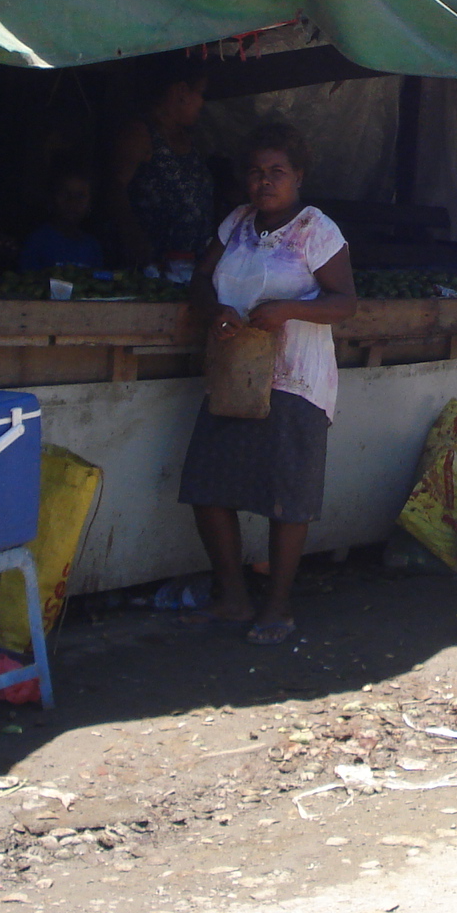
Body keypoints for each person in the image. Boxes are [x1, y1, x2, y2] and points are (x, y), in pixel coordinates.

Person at [182, 121, 356, 645]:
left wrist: (287, 310)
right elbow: (198, 278)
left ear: (298, 176)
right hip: (236, 374)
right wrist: (216, 312)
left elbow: (345, 302)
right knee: (208, 488)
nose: (265, 182)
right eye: (256, 173)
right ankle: (233, 597)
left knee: (287, 498)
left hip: (295, 380)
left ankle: (277, 606)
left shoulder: (316, 229)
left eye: (277, 172)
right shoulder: (236, 223)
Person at [110, 60, 215, 273]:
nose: (202, 103)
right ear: (182, 92)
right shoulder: (141, 134)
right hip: (152, 267)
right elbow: (113, 188)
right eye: (201, 93)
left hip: (191, 266)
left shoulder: (188, 138)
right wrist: (135, 238)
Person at [20, 163, 105, 271]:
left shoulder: (92, 247)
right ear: (51, 198)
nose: (72, 202)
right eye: (65, 194)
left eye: (80, 196)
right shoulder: (37, 242)